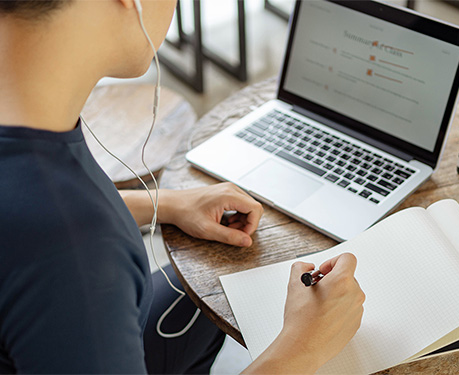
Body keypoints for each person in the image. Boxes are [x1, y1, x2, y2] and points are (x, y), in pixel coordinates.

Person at [0, 0, 365, 373]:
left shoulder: (28, 128)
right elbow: (55, 237)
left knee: (197, 287)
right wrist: (302, 348)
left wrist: (165, 203)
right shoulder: (77, 250)